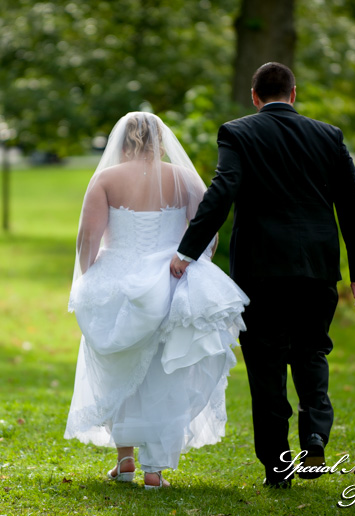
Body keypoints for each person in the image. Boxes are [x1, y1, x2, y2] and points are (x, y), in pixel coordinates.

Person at [170, 62, 355, 489]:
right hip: (317, 266)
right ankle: (315, 437)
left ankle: (277, 467)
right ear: (293, 93)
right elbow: (354, 206)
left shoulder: (237, 132)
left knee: (265, 365)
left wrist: (187, 251)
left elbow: (223, 189)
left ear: (254, 96)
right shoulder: (329, 136)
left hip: (261, 268)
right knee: (312, 352)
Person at [65, 112, 249, 489]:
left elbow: (88, 237)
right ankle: (154, 470)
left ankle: (126, 460)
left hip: (119, 280)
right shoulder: (182, 177)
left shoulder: (106, 179)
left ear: (122, 143)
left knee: (120, 365)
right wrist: (195, 265)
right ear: (160, 142)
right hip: (172, 280)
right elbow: (207, 230)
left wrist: (90, 276)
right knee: (163, 374)